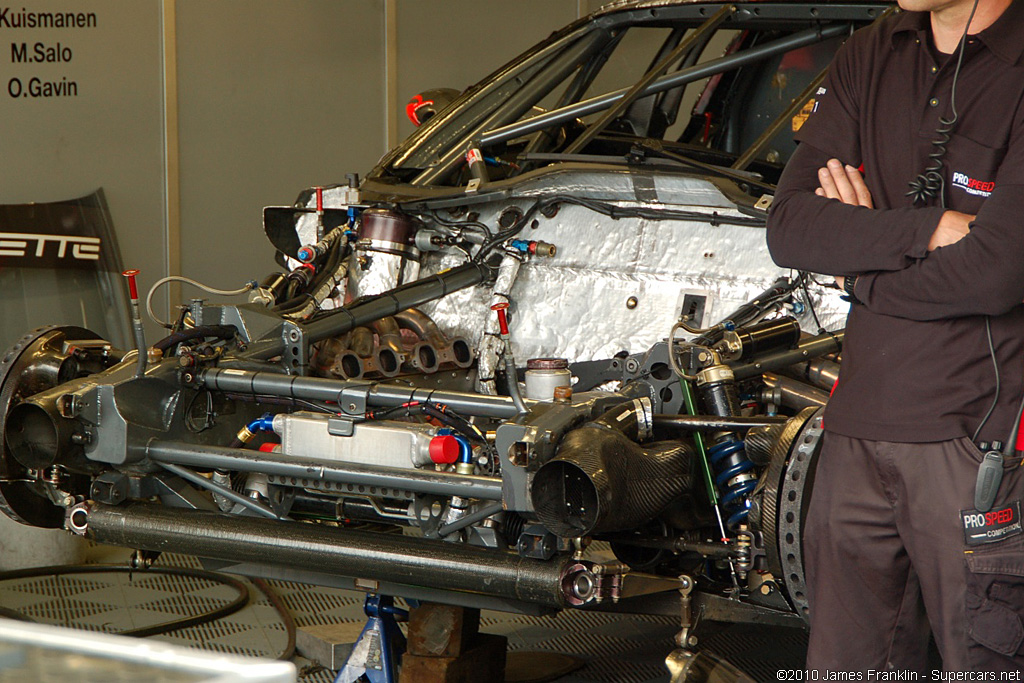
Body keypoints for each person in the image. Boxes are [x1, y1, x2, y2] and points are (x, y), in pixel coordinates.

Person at [766, 0, 1024, 673]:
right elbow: (789, 225)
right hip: (855, 436)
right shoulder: (869, 52)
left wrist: (863, 271)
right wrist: (927, 231)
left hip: (975, 445)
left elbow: (999, 269)